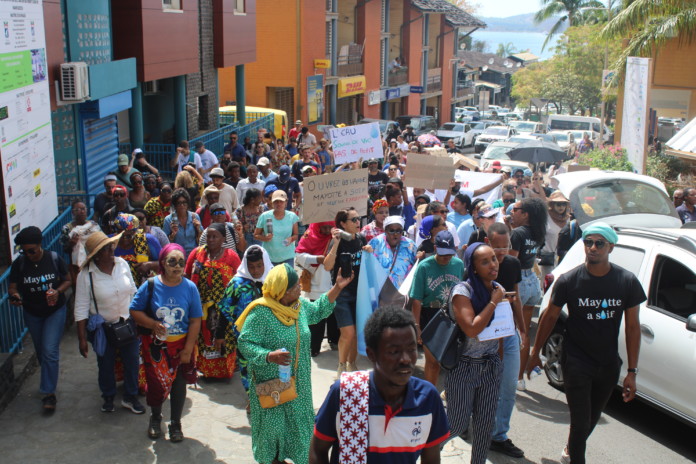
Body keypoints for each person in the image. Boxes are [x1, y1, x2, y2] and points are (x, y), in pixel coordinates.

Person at [528, 222, 644, 464]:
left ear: (610, 247)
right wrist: (534, 352)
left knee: (591, 420)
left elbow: (633, 328)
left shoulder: (627, 281)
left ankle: (571, 448)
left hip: (608, 364)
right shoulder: (569, 281)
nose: (592, 248)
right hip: (576, 361)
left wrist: (632, 371)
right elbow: (549, 316)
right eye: (588, 242)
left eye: (599, 243)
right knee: (580, 423)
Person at [236, 263, 353, 464]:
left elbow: (318, 310)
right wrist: (268, 355)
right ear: (282, 290)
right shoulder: (261, 312)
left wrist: (338, 287)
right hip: (272, 384)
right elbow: (245, 342)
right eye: (295, 287)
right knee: (272, 432)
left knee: (299, 431)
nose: (300, 288)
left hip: (299, 385)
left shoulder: (298, 307)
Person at [310, 306, 450, 464]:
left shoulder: (428, 399)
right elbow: (318, 450)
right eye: (393, 351)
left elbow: (431, 459)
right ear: (372, 354)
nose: (405, 359)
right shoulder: (346, 393)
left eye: (411, 349)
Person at [130, 244, 202, 442]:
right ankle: (155, 418)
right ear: (162, 263)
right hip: (156, 347)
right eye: (172, 262)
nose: (177, 266)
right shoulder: (151, 285)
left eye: (181, 262)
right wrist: (153, 324)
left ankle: (176, 424)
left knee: (179, 384)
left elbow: (195, 319)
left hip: (180, 346)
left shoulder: (190, 287)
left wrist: (188, 349)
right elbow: (134, 311)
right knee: (156, 384)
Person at [446, 243, 505, 464]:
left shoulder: (496, 288)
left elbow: (499, 331)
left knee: (484, 426)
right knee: (457, 424)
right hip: (464, 366)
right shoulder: (463, 291)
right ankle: (424, 453)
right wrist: (493, 302)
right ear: (473, 267)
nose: (493, 265)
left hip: (490, 366)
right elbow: (471, 328)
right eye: (485, 262)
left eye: (494, 259)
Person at [74, 231, 144, 414]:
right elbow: (81, 307)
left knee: (132, 362)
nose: (110, 250)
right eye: (104, 249)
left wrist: (139, 318)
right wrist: (81, 338)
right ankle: (108, 396)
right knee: (105, 364)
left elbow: (133, 292)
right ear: (96, 255)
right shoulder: (86, 275)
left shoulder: (122, 264)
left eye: (110, 246)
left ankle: (131, 396)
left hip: (127, 323)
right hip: (103, 329)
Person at [8, 226, 71, 412]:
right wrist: (16, 296)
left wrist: (57, 291)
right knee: (42, 351)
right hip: (32, 312)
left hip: (54, 311)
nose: (28, 254)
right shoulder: (19, 264)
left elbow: (67, 279)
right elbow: (12, 287)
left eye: (31, 250)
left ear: (39, 245)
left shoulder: (53, 259)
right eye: (24, 251)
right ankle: (48, 380)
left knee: (50, 350)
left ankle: (48, 393)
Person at [486, 223, 527, 459]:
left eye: (506, 246)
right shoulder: (476, 262)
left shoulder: (512, 264)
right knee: (483, 385)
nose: (501, 252)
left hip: (509, 333)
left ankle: (498, 436)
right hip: (483, 335)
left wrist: (523, 329)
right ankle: (470, 425)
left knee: (509, 386)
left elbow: (517, 298)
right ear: (487, 242)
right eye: (496, 246)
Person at [184, 223, 242, 379]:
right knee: (204, 337)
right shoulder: (197, 254)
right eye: (208, 236)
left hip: (225, 308)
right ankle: (207, 371)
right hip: (201, 307)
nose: (210, 240)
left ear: (223, 239)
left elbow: (239, 281)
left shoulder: (231, 256)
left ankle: (225, 371)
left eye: (214, 236)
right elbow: (187, 275)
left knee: (224, 338)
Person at [218, 245, 272, 403]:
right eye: (252, 267)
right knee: (247, 369)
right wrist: (219, 334)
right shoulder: (237, 284)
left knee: (269, 367)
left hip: (271, 336)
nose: (256, 271)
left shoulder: (274, 280)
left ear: (265, 263)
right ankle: (253, 400)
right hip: (245, 337)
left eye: (259, 266)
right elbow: (225, 308)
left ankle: (268, 399)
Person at [410, 230, 464, 385]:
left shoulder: (458, 264)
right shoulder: (424, 266)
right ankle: (430, 396)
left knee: (451, 360)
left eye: (450, 253)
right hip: (431, 314)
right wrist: (417, 327)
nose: (447, 257)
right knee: (432, 362)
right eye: (443, 254)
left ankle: (450, 392)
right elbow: (417, 299)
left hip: (452, 315)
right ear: (435, 249)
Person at [509, 197, 547, 391]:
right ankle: (519, 379)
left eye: (516, 209)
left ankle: (505, 376)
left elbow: (511, 264)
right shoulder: (538, 233)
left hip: (520, 282)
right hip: (533, 281)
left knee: (510, 332)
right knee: (525, 333)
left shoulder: (518, 234)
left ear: (525, 214)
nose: (512, 212)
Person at [323, 207, 366, 375]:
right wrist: (336, 243)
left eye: (359, 219)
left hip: (359, 293)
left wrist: (369, 250)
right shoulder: (337, 241)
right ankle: (341, 366)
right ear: (342, 224)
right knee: (348, 333)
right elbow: (327, 266)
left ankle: (352, 364)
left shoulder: (361, 239)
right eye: (353, 220)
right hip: (342, 294)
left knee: (355, 334)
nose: (358, 223)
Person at [296, 221, 338, 357]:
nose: (326, 231)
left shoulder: (336, 237)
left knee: (333, 317)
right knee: (317, 320)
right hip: (316, 284)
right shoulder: (309, 236)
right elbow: (299, 256)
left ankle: (334, 341)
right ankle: (314, 348)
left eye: (329, 227)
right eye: (323, 228)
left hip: (333, 283)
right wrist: (317, 258)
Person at [366, 216, 418, 289]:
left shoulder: (410, 245)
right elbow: (367, 267)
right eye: (392, 230)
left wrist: (419, 259)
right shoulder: (375, 243)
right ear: (385, 230)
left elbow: (416, 269)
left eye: (399, 231)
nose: (395, 234)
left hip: (403, 294)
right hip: (379, 293)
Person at [112, 213, 162, 286]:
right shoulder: (110, 243)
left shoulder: (148, 241)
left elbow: (164, 263)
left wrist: (149, 265)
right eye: (121, 236)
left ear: (135, 232)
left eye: (129, 236)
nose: (124, 240)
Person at [254, 190, 300, 266]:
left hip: (287, 257)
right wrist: (265, 238)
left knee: (287, 278)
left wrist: (291, 239)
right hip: (269, 258)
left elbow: (296, 235)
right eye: (276, 201)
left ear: (286, 202)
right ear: (272, 202)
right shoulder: (264, 216)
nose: (278, 204)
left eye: (281, 201)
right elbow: (256, 235)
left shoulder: (292, 216)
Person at [60, 200, 101, 284]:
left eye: (83, 209)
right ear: (72, 212)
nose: (82, 212)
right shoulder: (67, 229)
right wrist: (71, 244)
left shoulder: (93, 225)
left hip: (94, 260)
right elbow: (65, 249)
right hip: (77, 266)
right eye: (78, 210)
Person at [163, 189, 203, 256]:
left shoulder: (195, 217)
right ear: (175, 205)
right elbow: (166, 244)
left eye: (184, 202)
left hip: (194, 255)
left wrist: (199, 229)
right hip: (177, 255)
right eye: (179, 203)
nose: (182, 205)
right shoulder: (168, 220)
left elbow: (202, 240)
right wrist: (173, 235)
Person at [541, 191, 571, 276]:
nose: (561, 207)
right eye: (558, 204)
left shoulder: (569, 219)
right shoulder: (545, 218)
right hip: (548, 258)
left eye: (563, 204)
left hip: (564, 258)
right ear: (552, 205)